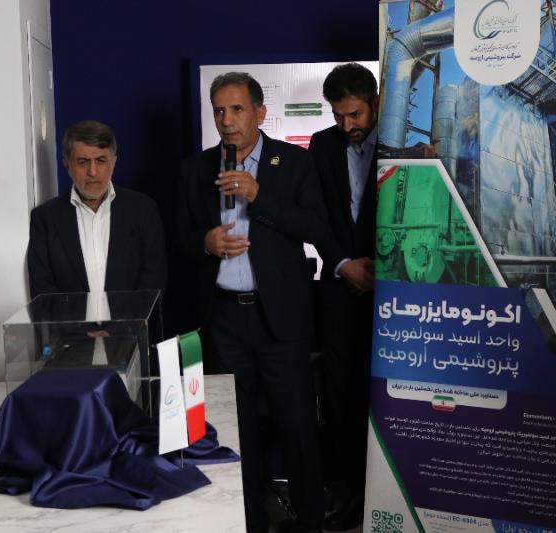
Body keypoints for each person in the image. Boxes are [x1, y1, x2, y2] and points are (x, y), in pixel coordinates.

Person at [175, 72, 330, 533]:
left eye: (237, 109)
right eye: (219, 111)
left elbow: (315, 228)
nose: (227, 120)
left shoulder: (294, 162)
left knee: (297, 427)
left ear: (260, 113)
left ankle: (310, 522)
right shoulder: (195, 170)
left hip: (279, 319)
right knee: (235, 430)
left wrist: (258, 195)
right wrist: (205, 242)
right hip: (223, 320)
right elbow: (178, 242)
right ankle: (249, 520)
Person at [308, 63, 378, 531]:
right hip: (337, 293)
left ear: (374, 104)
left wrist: (375, 269)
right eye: (337, 116)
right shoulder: (321, 145)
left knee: (388, 394)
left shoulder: (400, 146)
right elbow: (315, 215)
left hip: (391, 293)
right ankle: (352, 491)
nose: (346, 124)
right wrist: (342, 264)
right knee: (340, 398)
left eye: (354, 114)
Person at [26, 120, 167, 301]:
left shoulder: (143, 210)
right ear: (67, 166)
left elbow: (154, 280)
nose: (92, 172)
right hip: (69, 321)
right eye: (82, 162)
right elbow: (43, 290)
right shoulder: (45, 218)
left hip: (132, 320)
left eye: (101, 161)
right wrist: (79, 320)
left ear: (113, 162)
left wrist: (124, 319)